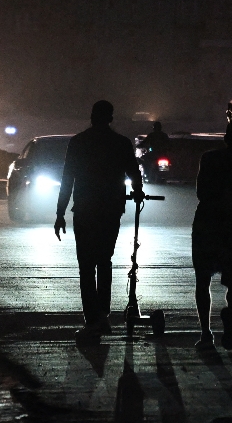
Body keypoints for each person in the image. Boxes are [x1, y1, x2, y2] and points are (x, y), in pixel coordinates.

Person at [55, 100, 143, 340]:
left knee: (86, 265)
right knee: (105, 260)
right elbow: (134, 173)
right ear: (110, 118)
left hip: (84, 210)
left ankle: (92, 319)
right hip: (111, 211)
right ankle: (102, 315)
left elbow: (67, 180)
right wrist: (137, 191)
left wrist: (60, 213)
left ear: (92, 116)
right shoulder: (121, 143)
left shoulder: (78, 142)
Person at [191, 119, 232, 349]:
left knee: (202, 281)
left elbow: (201, 192)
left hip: (208, 225)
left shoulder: (210, 158)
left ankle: (206, 332)